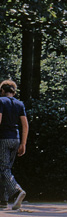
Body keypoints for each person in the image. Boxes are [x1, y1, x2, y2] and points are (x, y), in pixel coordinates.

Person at [0, 79, 28, 210]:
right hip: (15, 139)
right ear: (14, 92)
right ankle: (3, 201)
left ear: (2, 91)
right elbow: (25, 125)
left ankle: (17, 191)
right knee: (6, 169)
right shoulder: (19, 104)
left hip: (3, 139)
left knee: (3, 169)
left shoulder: (1, 101)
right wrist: (23, 143)